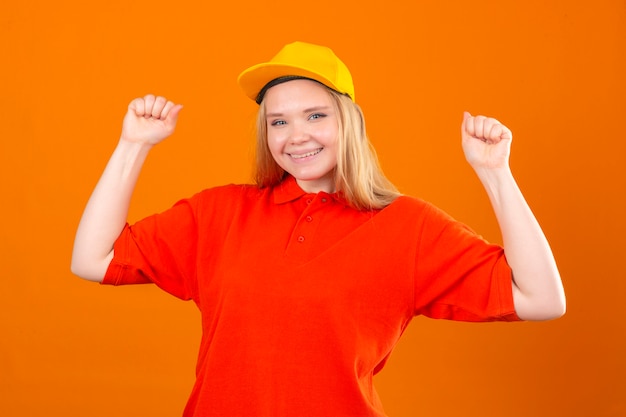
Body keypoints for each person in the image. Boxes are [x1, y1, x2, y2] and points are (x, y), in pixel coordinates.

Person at [71, 41, 565, 417]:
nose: (296, 135)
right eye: (278, 122)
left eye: (315, 115)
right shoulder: (219, 212)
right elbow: (93, 259)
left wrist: (495, 173)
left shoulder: (407, 226)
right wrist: (132, 145)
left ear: (349, 122)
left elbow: (543, 298)